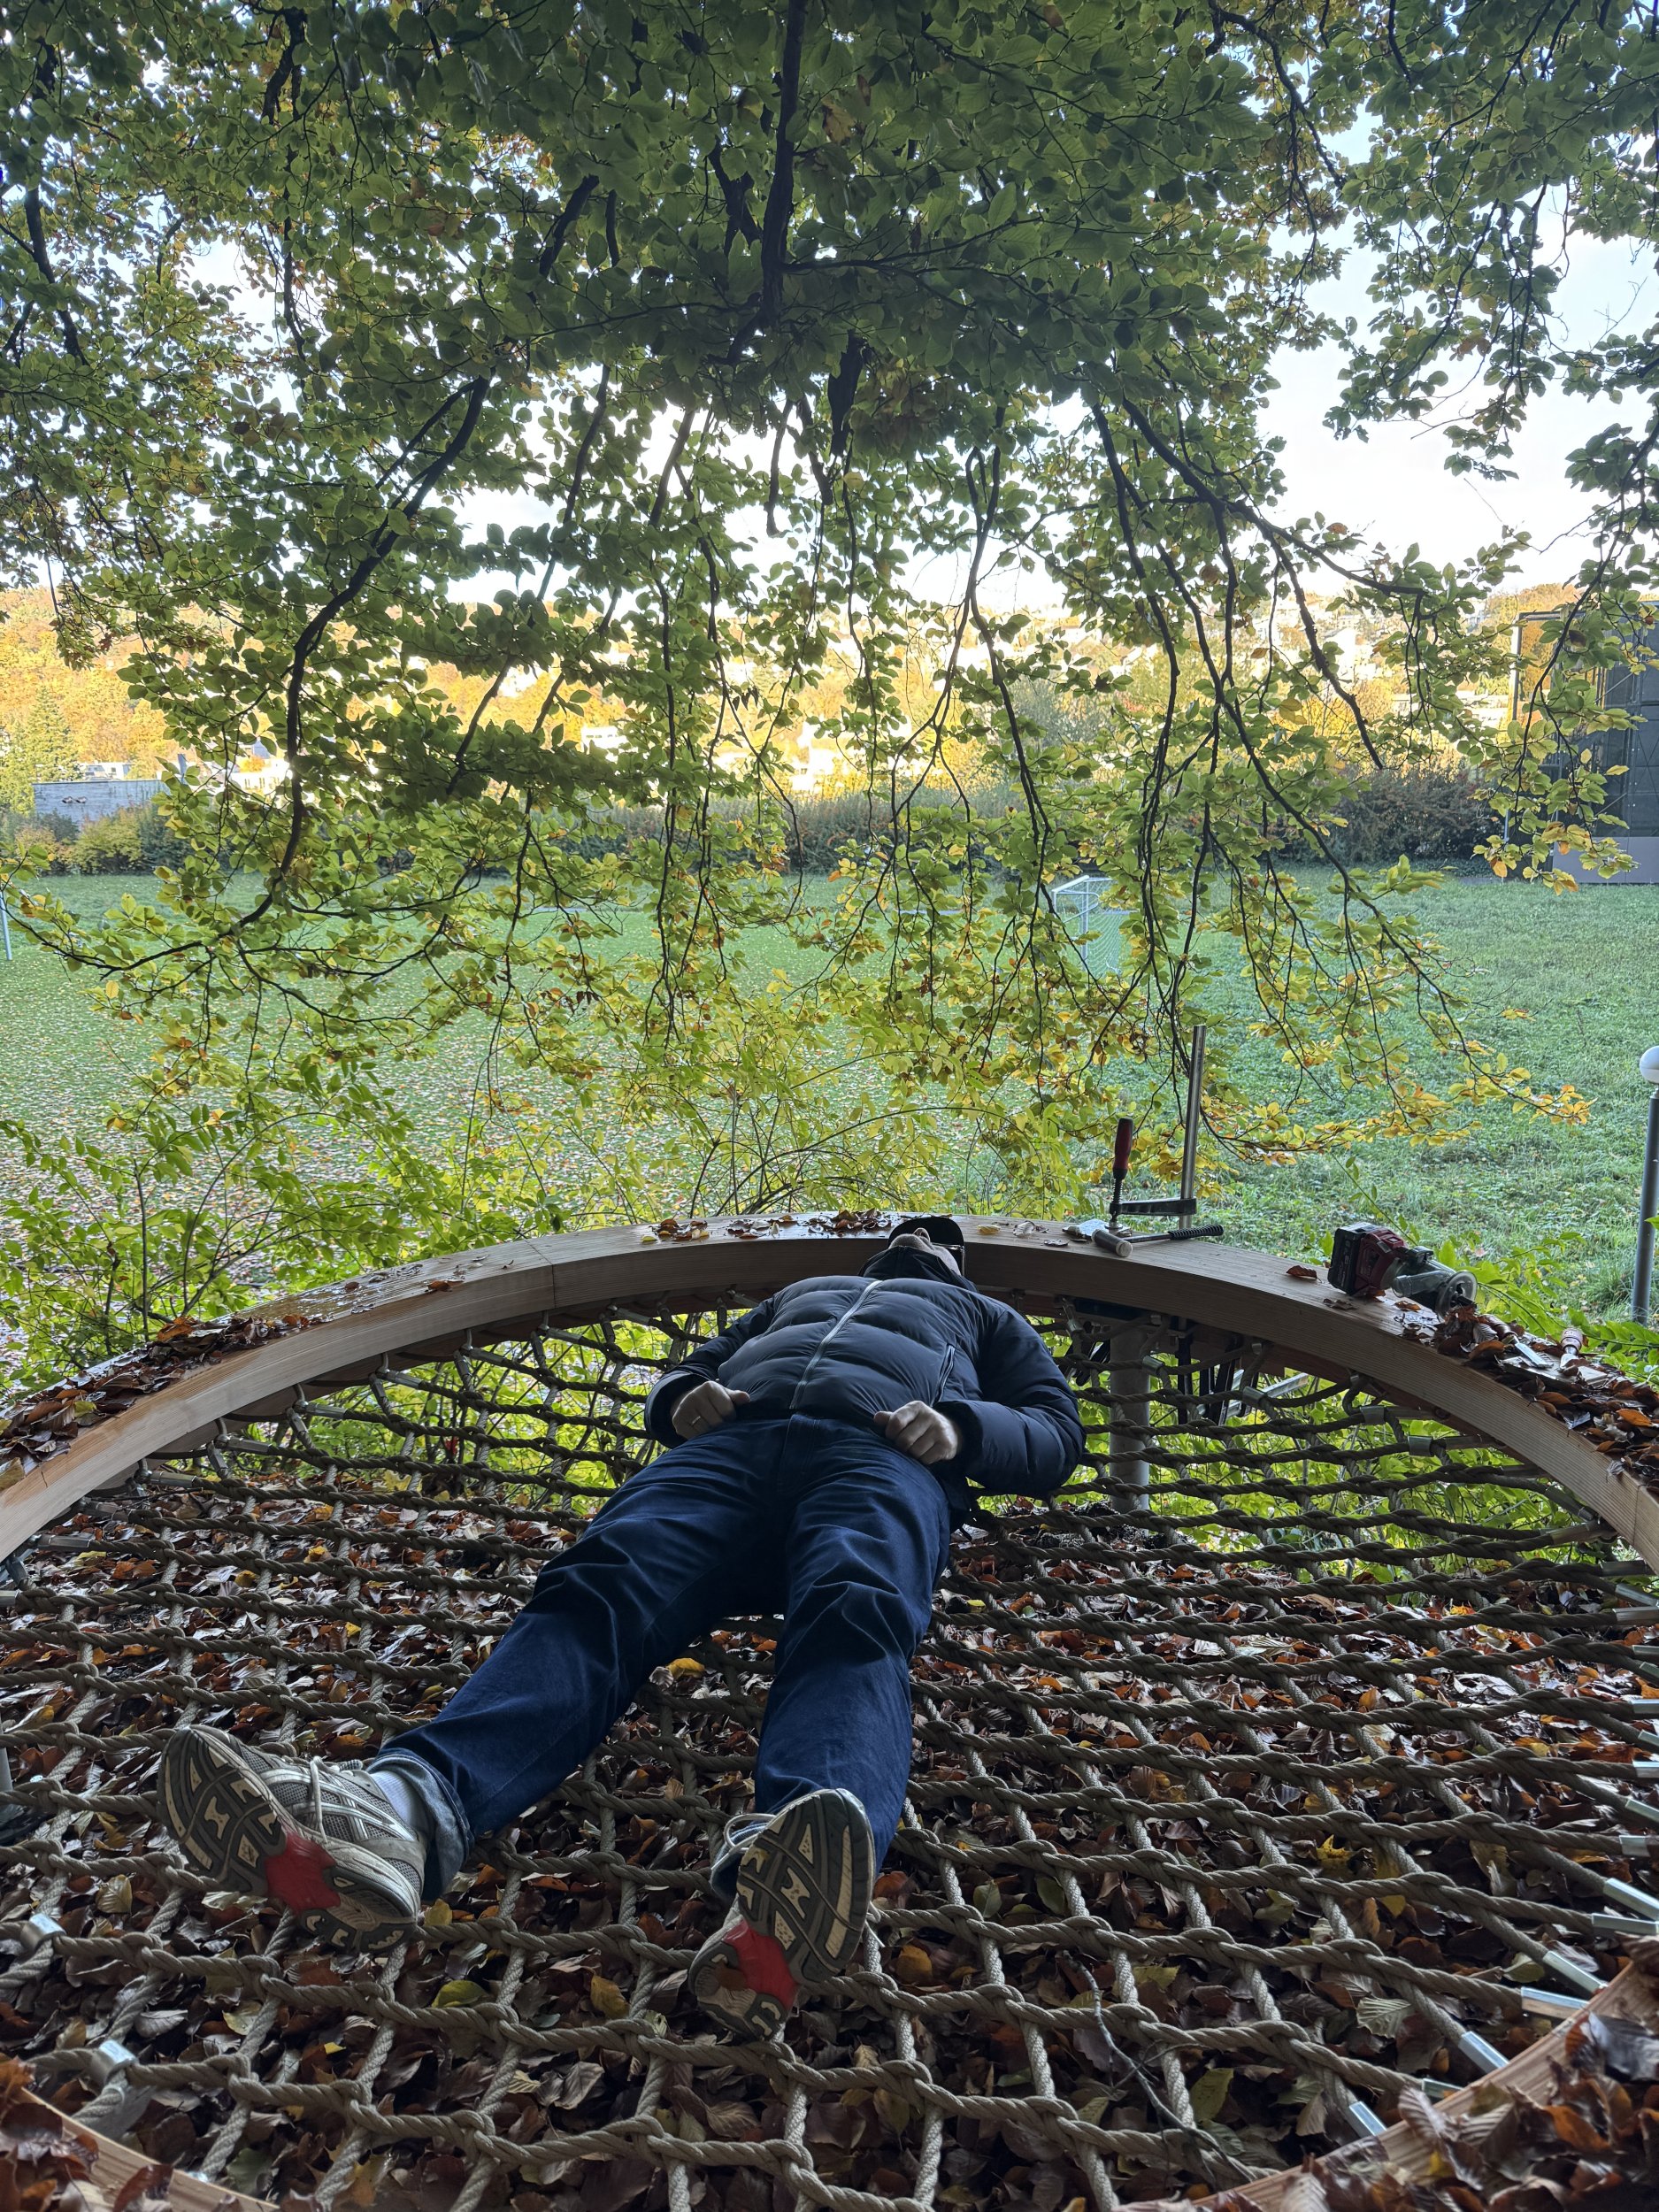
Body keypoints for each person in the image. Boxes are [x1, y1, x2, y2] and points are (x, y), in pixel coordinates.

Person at [156, 1217, 1085, 2037]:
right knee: (595, 1589)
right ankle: (401, 1811)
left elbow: (1055, 1433)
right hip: (724, 1454)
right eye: (910, 1231)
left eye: (940, 1238)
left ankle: (790, 1877)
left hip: (875, 1460)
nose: (921, 1238)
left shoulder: (986, 1319)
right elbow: (697, 1368)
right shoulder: (803, 1293)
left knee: (855, 1611)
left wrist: (961, 1427)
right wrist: (680, 1400)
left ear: (957, 1267)